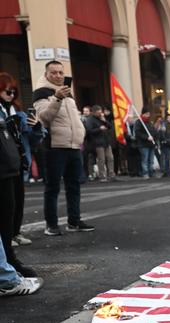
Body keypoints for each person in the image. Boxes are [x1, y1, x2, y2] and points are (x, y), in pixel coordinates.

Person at [32, 60, 94, 235]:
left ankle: (74, 221)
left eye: (60, 72)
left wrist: (80, 134)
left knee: (74, 186)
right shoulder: (41, 92)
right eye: (54, 73)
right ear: (47, 74)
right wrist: (57, 98)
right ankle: (51, 225)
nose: (58, 76)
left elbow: (74, 119)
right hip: (54, 147)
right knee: (52, 187)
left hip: (74, 146)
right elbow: (44, 118)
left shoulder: (69, 93)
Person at [0, 74, 42, 274]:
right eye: (6, 90)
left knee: (13, 208)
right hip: (4, 164)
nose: (10, 94)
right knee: (5, 213)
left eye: (13, 91)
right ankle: (8, 263)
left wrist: (37, 127)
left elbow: (33, 138)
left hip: (14, 163)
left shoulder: (16, 111)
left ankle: (10, 254)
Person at [83, 105, 115, 182]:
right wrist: (99, 129)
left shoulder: (102, 119)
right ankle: (102, 175)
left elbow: (110, 127)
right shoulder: (90, 120)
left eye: (101, 112)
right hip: (98, 142)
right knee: (102, 159)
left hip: (106, 141)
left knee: (110, 158)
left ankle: (111, 175)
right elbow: (89, 130)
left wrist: (104, 120)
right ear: (94, 112)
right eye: (98, 113)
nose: (100, 114)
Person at [134, 107, 156, 179]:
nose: (148, 115)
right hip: (143, 144)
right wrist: (147, 137)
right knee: (145, 160)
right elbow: (138, 133)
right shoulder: (139, 122)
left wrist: (154, 136)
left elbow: (153, 130)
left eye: (149, 114)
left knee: (151, 160)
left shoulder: (149, 122)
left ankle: (151, 172)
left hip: (151, 144)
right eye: (147, 114)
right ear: (143, 114)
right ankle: (145, 173)